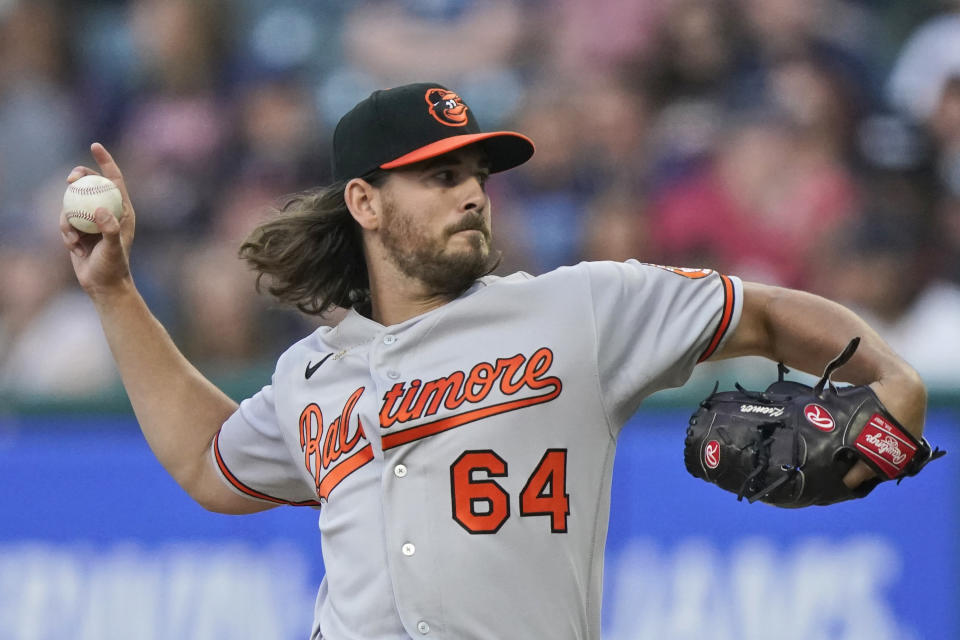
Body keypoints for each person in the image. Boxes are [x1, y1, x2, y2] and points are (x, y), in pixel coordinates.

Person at [59, 83, 927, 640]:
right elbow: (209, 465)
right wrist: (116, 295)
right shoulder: (312, 374)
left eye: (477, 171)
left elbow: (766, 314)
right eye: (438, 175)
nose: (473, 190)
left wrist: (895, 381)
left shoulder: (578, 309)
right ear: (363, 200)